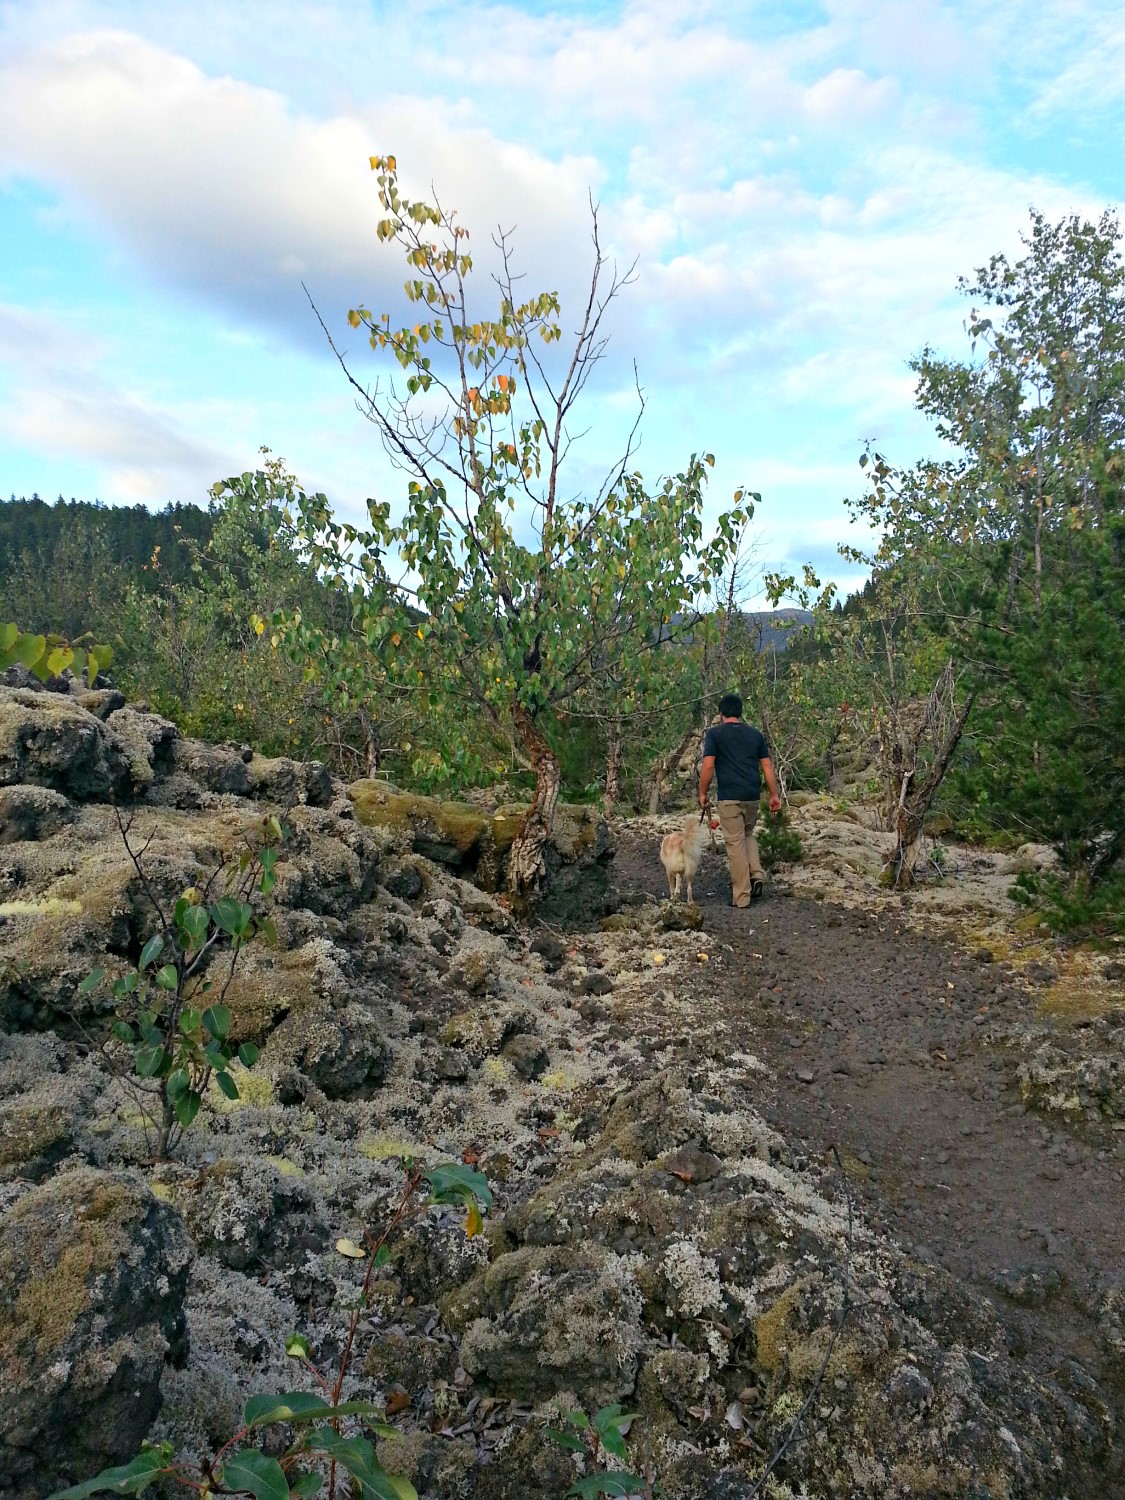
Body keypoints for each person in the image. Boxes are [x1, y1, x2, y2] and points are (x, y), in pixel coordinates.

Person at [698, 693, 781, 907]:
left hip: (729, 797)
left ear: (721, 714)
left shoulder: (714, 734)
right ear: (740, 712)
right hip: (752, 795)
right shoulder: (755, 735)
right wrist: (774, 795)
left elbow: (708, 765)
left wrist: (702, 792)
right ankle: (757, 875)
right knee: (748, 834)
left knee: (735, 842)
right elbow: (767, 766)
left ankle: (742, 896)